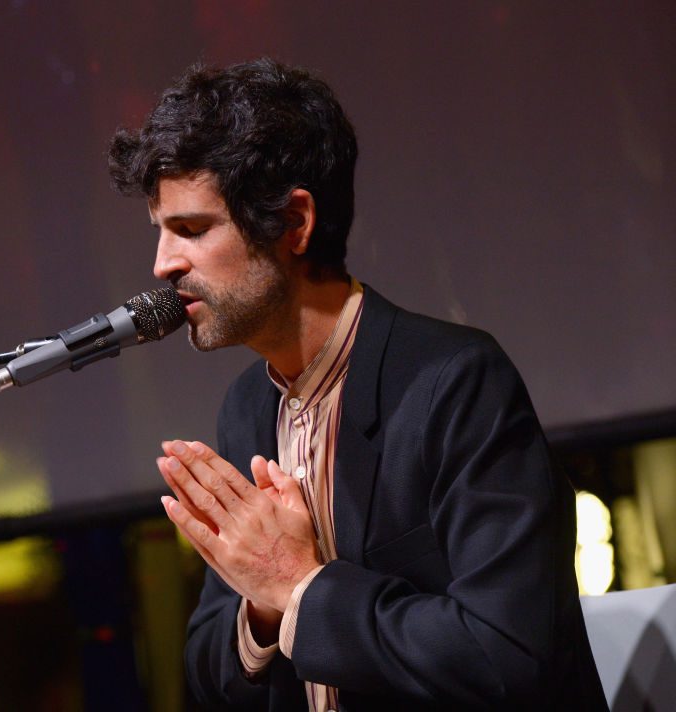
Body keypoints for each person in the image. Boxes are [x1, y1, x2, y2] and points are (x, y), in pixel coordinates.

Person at [108, 58, 608, 711]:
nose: (162, 264)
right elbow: (210, 672)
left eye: (193, 230)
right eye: (161, 233)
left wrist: (300, 587)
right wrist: (263, 608)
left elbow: (508, 656)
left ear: (295, 223)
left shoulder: (454, 382)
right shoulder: (247, 408)